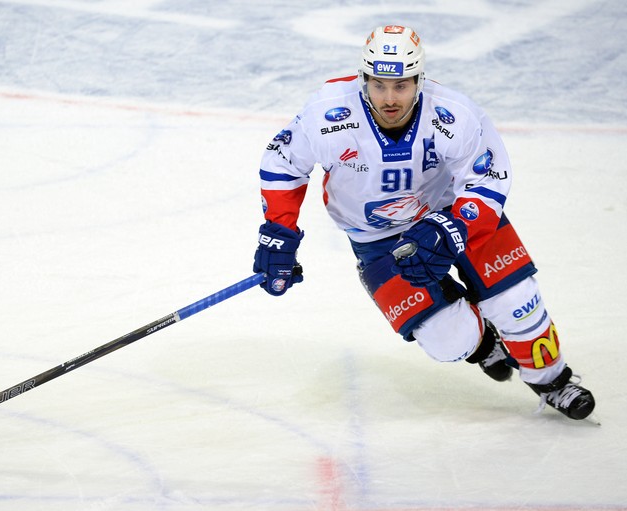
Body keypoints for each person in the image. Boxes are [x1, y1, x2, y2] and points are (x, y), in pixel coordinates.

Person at [252, 25, 595, 420]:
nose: (390, 98)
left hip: (453, 216)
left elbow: (488, 178)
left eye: (401, 85)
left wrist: (455, 228)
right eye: (379, 85)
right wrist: (279, 235)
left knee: (518, 304)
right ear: (363, 79)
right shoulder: (327, 112)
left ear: (419, 79)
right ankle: (484, 344)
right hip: (377, 237)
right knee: (449, 342)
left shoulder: (454, 113)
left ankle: (553, 382)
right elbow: (282, 163)